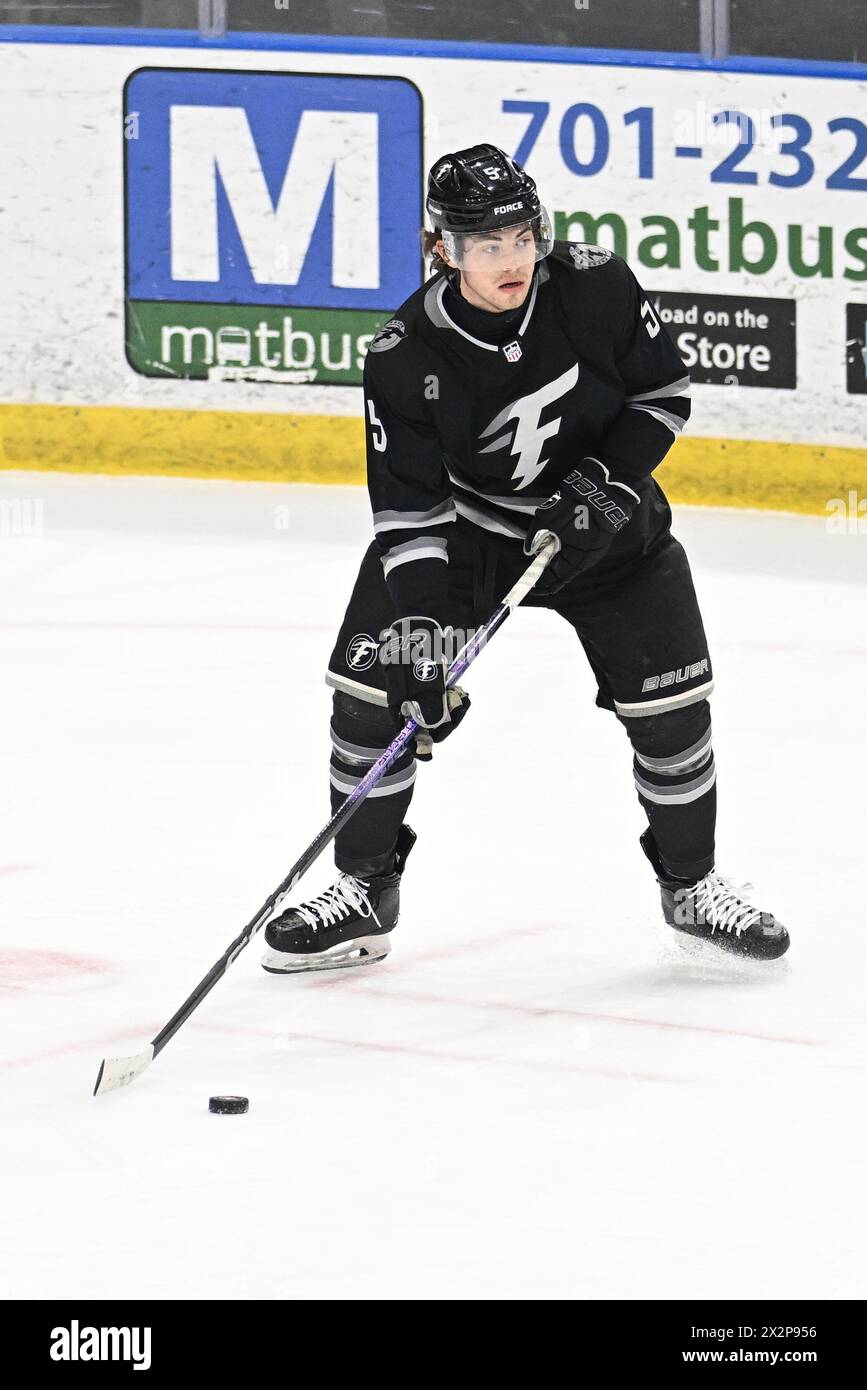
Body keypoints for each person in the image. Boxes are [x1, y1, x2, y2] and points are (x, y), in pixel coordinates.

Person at [262, 143, 789, 974]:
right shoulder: (403, 353)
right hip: (472, 539)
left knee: (672, 714)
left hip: (612, 537)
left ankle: (691, 889)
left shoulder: (595, 284)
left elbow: (663, 394)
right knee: (376, 697)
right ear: (443, 249)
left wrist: (604, 484)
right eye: (487, 245)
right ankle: (364, 892)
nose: (513, 260)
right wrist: (424, 634)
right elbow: (408, 515)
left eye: (521, 236)